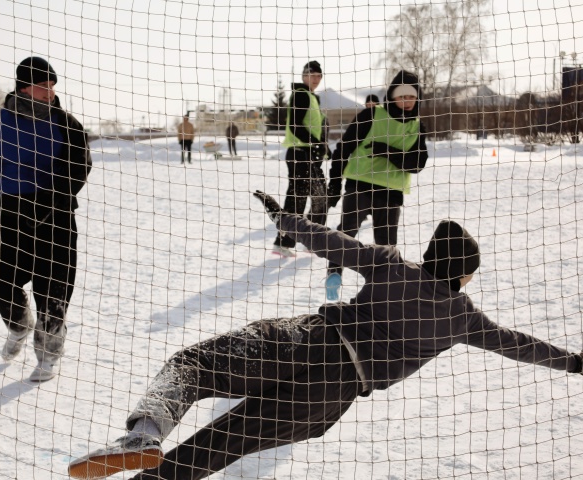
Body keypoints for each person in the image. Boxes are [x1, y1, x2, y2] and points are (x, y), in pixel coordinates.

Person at [67, 190, 583, 480]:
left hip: (307, 340)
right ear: (463, 274)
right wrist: (577, 362)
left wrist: (285, 219)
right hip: (331, 395)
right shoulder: (464, 318)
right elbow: (521, 346)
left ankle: (145, 433)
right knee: (216, 448)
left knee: (193, 365)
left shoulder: (391, 264)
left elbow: (330, 240)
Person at [0, 56, 92, 382]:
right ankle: (19, 326)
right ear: (24, 87)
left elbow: (80, 165)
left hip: (55, 216)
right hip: (9, 212)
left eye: (53, 86)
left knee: (54, 289)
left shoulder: (66, 123)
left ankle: (48, 354)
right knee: (1, 282)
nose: (50, 92)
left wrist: (55, 197)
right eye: (43, 85)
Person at [325, 70, 428, 301]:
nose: (407, 101)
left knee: (387, 247)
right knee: (347, 232)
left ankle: (382, 290)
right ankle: (334, 273)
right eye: (402, 96)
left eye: (411, 97)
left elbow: (417, 164)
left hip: (391, 193)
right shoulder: (371, 115)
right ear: (392, 97)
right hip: (360, 185)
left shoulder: (417, 127)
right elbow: (343, 148)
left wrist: (387, 151)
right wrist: (335, 184)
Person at [272, 60, 330, 257]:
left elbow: (315, 126)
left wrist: (323, 146)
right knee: (302, 198)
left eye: (319, 76)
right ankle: (287, 242)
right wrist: (316, 143)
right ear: (304, 76)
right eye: (312, 75)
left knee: (314, 197)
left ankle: (304, 240)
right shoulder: (301, 95)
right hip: (300, 153)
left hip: (308, 153)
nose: (316, 79)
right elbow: (296, 126)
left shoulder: (312, 97)